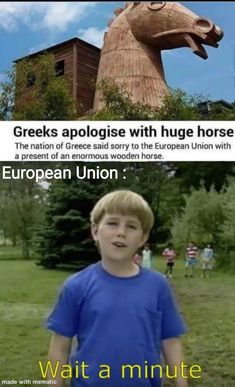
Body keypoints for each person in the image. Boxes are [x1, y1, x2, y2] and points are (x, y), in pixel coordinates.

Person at [46, 190, 188, 387]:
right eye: (112, 223)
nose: (121, 232)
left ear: (142, 238)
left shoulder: (158, 285)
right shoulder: (76, 286)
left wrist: (182, 383)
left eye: (131, 226)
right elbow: (60, 346)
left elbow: (170, 341)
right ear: (95, 231)